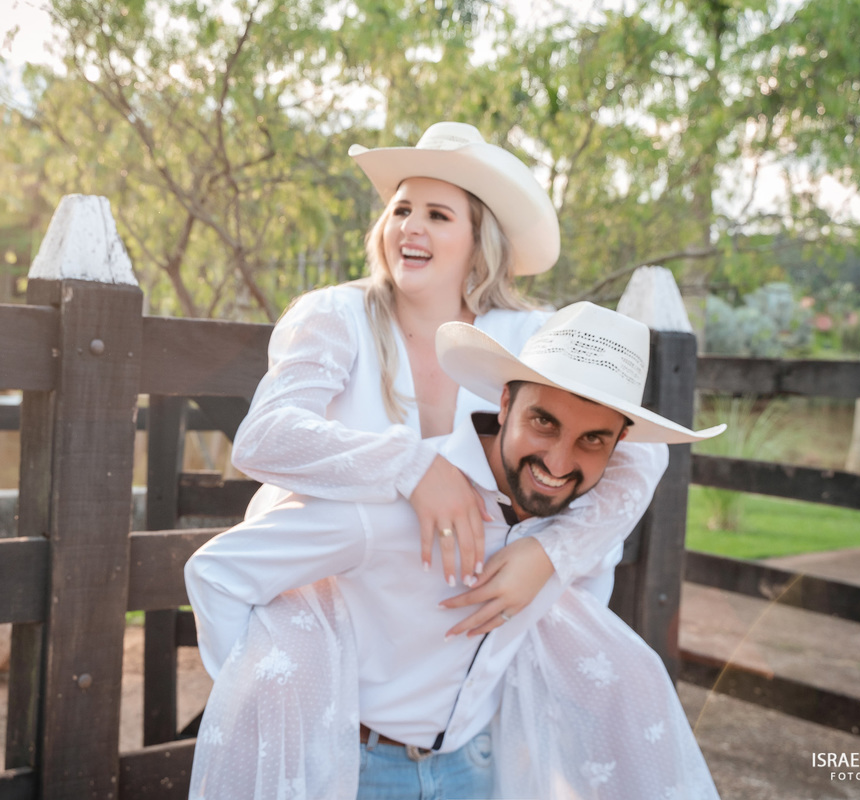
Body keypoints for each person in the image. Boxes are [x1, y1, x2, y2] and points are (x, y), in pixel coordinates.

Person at [186, 302, 725, 799]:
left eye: (593, 440)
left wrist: (549, 554)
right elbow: (219, 574)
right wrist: (274, 699)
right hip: (368, 770)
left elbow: (645, 464)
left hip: (478, 765)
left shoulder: (582, 515)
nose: (560, 462)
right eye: (544, 421)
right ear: (507, 401)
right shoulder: (391, 505)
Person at [230, 121, 664, 631]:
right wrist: (410, 465)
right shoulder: (336, 316)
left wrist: (551, 553)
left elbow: (640, 453)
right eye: (401, 210)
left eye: (437, 215)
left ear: (479, 243)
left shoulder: (528, 333)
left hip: (471, 602)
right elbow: (263, 438)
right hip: (347, 594)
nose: (411, 228)